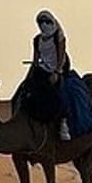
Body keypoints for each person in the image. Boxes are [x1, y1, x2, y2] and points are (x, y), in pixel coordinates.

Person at [30, 10, 71, 139]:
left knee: (59, 91)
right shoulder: (37, 39)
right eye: (41, 22)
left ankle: (63, 123)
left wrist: (57, 72)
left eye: (47, 21)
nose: (44, 25)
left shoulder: (58, 36)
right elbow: (35, 59)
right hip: (42, 68)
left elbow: (61, 55)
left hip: (58, 68)